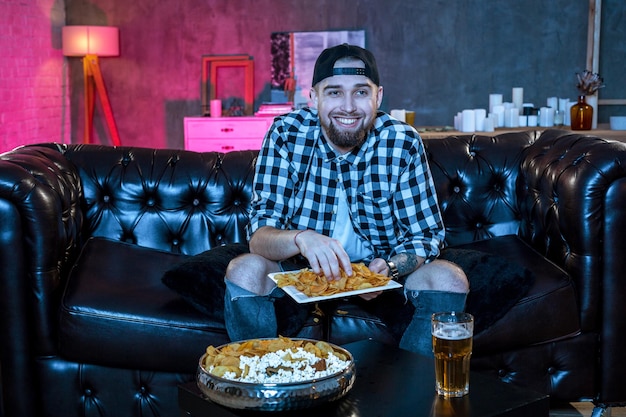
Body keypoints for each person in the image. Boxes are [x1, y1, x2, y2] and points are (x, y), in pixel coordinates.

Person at [224, 43, 468, 356]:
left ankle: (411, 391)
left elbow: (426, 235)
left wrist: (390, 267)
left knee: (450, 279)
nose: (349, 107)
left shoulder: (402, 141)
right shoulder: (286, 134)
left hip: (377, 275)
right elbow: (260, 237)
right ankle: (263, 385)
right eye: (335, 92)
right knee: (244, 269)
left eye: (361, 92)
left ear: (378, 96)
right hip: (301, 272)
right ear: (314, 98)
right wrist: (302, 240)